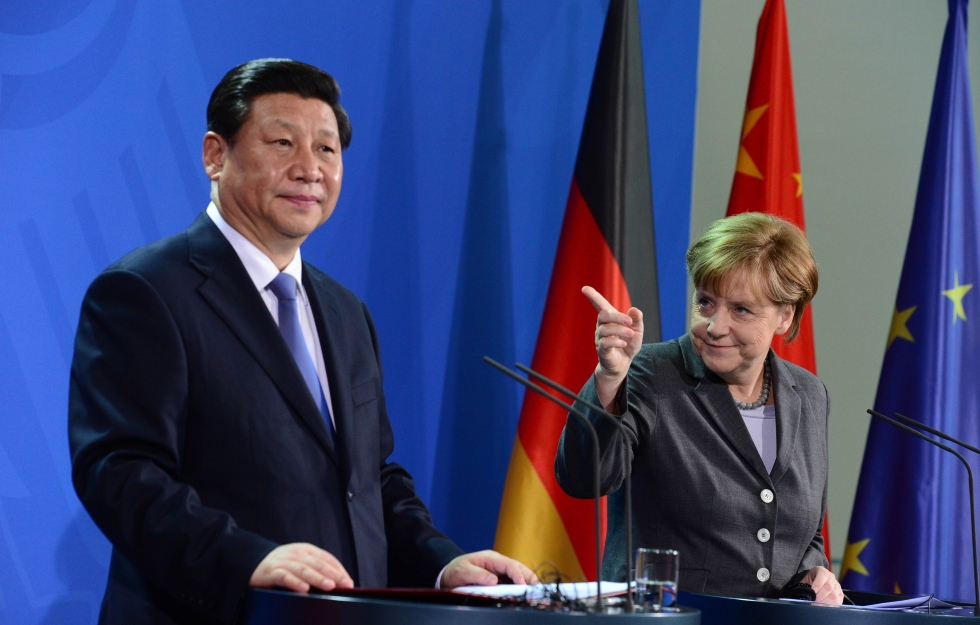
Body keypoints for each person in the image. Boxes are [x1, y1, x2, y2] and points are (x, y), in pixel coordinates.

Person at [69, 58, 534, 625]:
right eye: (283, 143)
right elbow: (120, 473)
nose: (310, 169)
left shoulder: (345, 312)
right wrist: (248, 559)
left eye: (326, 149)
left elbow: (370, 480)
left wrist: (443, 564)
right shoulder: (146, 292)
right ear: (216, 155)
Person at [555, 212, 844, 604]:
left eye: (740, 310)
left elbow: (804, 534)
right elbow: (582, 479)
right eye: (705, 302)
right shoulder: (650, 373)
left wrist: (816, 574)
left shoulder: (809, 394)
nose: (715, 326)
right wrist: (609, 379)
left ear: (785, 315)